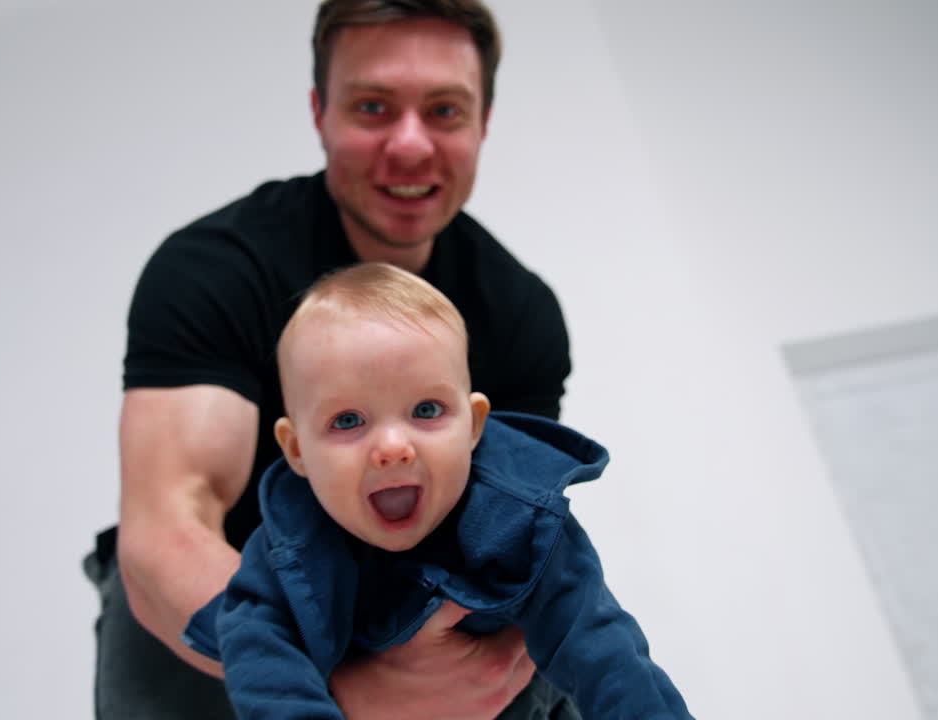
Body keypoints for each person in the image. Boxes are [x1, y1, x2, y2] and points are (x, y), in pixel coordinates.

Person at [86, 1, 575, 718]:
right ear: (320, 111)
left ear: (483, 123)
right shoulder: (213, 270)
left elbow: (508, 530)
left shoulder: (521, 315)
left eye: (444, 111)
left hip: (404, 592)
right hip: (220, 602)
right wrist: (339, 687)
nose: (410, 147)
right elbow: (169, 528)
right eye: (373, 107)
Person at [184, 263, 692, 720]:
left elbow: (603, 648)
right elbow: (265, 671)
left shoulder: (520, 515)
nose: (392, 447)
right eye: (348, 420)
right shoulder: (283, 549)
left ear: (473, 425)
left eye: (426, 410)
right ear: (296, 451)